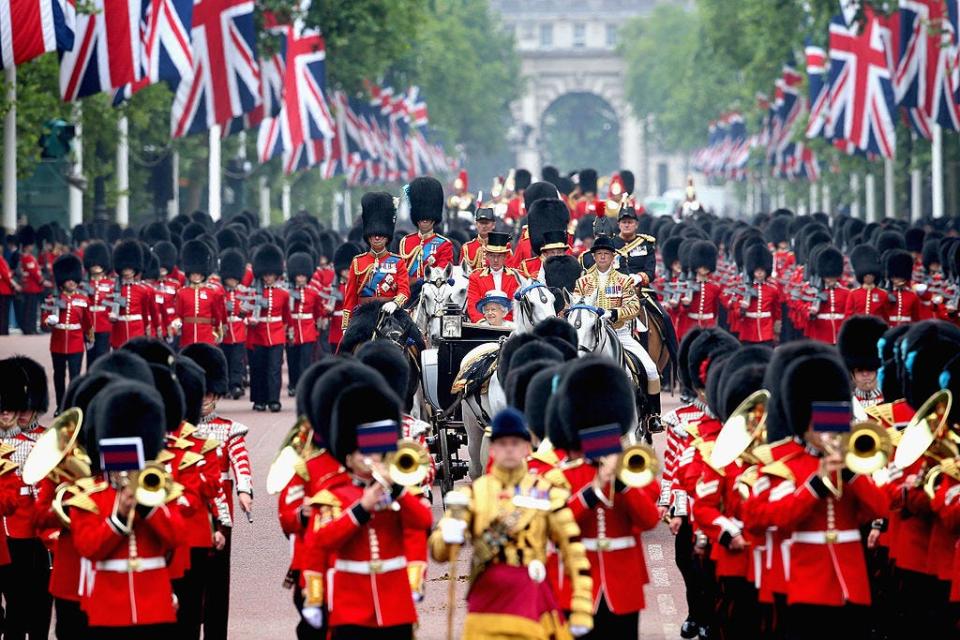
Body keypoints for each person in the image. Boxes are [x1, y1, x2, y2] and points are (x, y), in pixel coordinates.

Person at [430, 407, 594, 639]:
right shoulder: (474, 494)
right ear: (493, 449)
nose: (509, 449)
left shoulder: (546, 492)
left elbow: (574, 553)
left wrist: (581, 607)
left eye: (515, 443)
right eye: (502, 443)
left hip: (529, 597)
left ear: (527, 448)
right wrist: (448, 535)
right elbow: (440, 553)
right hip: (485, 600)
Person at [304, 379, 432, 640]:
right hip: (352, 603)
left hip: (395, 603)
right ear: (348, 457)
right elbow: (324, 540)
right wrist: (361, 509)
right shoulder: (333, 495)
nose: (371, 459)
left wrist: (397, 490)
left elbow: (422, 521)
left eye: (375, 452)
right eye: (363, 453)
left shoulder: (397, 490)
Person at [553, 360, 660, 639]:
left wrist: (621, 482)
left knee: (649, 368)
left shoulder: (632, 474)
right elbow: (557, 526)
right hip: (578, 584)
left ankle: (654, 413)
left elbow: (649, 519)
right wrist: (596, 489)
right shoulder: (566, 475)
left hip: (622, 583)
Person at [71, 381, 184, 639]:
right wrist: (119, 517)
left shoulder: (158, 492)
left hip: (154, 605)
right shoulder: (90, 497)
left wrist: (147, 505)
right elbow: (89, 548)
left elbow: (177, 536)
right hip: (110, 607)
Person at [182, 343, 252, 640]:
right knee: (187, 579)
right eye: (202, 394)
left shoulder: (229, 428)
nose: (206, 400)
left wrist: (245, 491)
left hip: (221, 513)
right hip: (187, 511)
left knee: (217, 582)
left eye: (210, 394)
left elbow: (241, 460)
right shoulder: (179, 428)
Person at [574, 235, 663, 430]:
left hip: (620, 334)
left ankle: (652, 416)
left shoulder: (624, 281)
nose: (603, 257)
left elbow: (633, 307)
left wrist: (615, 313)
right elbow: (575, 306)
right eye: (599, 254)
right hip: (591, 337)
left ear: (613, 257)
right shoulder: (583, 282)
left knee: (650, 370)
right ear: (594, 257)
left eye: (606, 254)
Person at [0, 356, 52, 639]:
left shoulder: (44, 441)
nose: (19, 414)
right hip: (7, 535)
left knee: (36, 605)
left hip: (34, 533)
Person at [342, 193, 411, 332]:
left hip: (392, 313)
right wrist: (345, 325)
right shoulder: (358, 262)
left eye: (381, 234)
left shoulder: (398, 262)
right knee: (344, 348)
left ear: (387, 237)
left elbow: (404, 290)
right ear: (368, 237)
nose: (377, 237)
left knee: (417, 341)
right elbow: (350, 297)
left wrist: (396, 303)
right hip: (363, 315)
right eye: (373, 234)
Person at [44, 254, 92, 412]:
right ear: (62, 280)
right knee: (59, 377)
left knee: (75, 377)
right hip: (57, 343)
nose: (71, 282)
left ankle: (73, 406)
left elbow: (87, 323)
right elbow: (44, 321)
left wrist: (90, 337)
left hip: (76, 343)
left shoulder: (83, 300)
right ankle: (60, 406)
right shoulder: (52, 299)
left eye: (74, 279)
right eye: (68, 279)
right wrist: (48, 321)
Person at [247, 243, 290, 412]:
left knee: (274, 369)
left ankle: (274, 400)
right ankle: (260, 400)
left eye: (271, 274)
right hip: (258, 334)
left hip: (277, 334)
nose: (268, 278)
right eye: (265, 275)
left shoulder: (283, 294)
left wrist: (287, 333)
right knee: (259, 368)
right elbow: (245, 311)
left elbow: (286, 316)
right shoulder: (254, 292)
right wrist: (250, 318)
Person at [171, 239, 225, 347]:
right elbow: (178, 314)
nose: (196, 276)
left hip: (206, 335)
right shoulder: (182, 293)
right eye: (193, 274)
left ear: (203, 274)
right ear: (189, 275)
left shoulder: (211, 293)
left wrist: (218, 331)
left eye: (199, 274)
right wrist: (177, 325)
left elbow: (216, 315)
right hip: (188, 335)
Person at [399, 176, 454, 281]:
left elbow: (443, 275)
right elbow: (401, 274)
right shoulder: (405, 242)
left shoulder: (444, 244)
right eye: (421, 218)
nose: (424, 220)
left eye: (428, 218)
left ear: (434, 218)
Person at [286, 252, 324, 396]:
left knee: (306, 360)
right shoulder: (288, 292)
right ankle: (293, 384)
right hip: (293, 330)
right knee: (292, 359)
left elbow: (318, 311)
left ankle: (304, 385)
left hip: (308, 331)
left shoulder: (313, 292)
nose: (301, 278)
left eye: (303, 275)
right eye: (298, 275)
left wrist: (317, 328)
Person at [109, 239, 157, 349]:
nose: (127, 272)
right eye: (124, 269)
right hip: (119, 332)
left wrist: (146, 329)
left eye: (129, 269)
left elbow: (144, 313)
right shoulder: (114, 288)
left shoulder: (142, 290)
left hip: (136, 330)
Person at [465, 232, 522, 323]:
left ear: (505, 256)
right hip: (485, 328)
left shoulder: (516, 277)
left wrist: (505, 324)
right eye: (492, 256)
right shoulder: (475, 277)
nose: (495, 260)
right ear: (487, 256)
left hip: (510, 326)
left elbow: (516, 306)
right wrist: (484, 323)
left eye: (499, 256)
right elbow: (473, 305)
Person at [837, 315, 887, 408]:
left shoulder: (891, 401)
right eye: (859, 370)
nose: (865, 374)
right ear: (852, 373)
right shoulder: (844, 403)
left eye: (870, 369)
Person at [219, 248, 249, 400]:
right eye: (230, 279)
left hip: (238, 330)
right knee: (224, 359)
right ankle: (225, 386)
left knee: (237, 360)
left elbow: (248, 310)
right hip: (224, 332)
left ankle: (236, 385)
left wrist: (241, 310)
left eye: (235, 279)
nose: (233, 282)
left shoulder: (242, 292)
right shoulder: (219, 292)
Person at [804, 246, 850, 345]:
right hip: (822, 332)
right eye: (827, 277)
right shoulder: (814, 291)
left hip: (840, 332)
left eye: (833, 277)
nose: (830, 280)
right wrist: (810, 310)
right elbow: (803, 305)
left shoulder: (846, 292)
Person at [15, 225, 46, 335]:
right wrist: (43, 281)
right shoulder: (27, 257)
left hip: (33, 287)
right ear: (27, 245)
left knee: (32, 310)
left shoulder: (28, 257)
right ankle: (29, 328)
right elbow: (34, 273)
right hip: (31, 287)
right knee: (29, 310)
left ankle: (31, 327)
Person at [884, 249, 921, 328]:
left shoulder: (912, 296)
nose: (898, 280)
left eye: (900, 278)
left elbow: (916, 318)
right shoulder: (885, 295)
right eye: (895, 277)